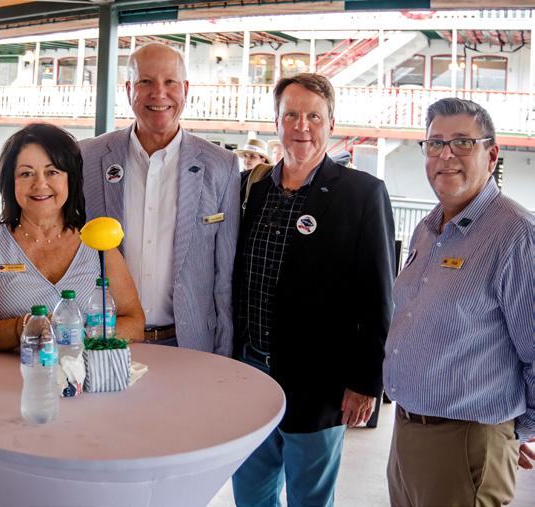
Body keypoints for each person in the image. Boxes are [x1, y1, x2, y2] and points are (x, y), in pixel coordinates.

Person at [0, 123, 144, 507]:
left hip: (86, 411)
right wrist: (26, 329)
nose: (40, 184)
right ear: (10, 183)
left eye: (52, 171)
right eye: (26, 173)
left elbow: (133, 321)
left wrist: (76, 337)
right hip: (4, 408)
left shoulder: (98, 246)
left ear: (70, 178)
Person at [232, 73, 395, 507]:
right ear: (277, 122)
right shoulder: (251, 189)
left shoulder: (362, 194)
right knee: (250, 496)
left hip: (319, 383)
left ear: (331, 123)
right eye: (290, 115)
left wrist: (366, 382)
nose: (301, 126)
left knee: (310, 499)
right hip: (250, 373)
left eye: (313, 117)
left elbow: (379, 297)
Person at [384, 98, 535, 507]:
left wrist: (509, 432)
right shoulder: (428, 229)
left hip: (466, 443)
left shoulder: (516, 236)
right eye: (435, 143)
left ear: (492, 155)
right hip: (407, 433)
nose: (446, 155)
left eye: (462, 143)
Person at [80, 42, 240, 356]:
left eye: (170, 82)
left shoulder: (221, 165)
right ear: (129, 90)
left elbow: (225, 278)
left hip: (189, 345)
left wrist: (223, 356)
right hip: (105, 341)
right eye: (146, 82)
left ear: (185, 90)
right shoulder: (88, 157)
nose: (159, 93)